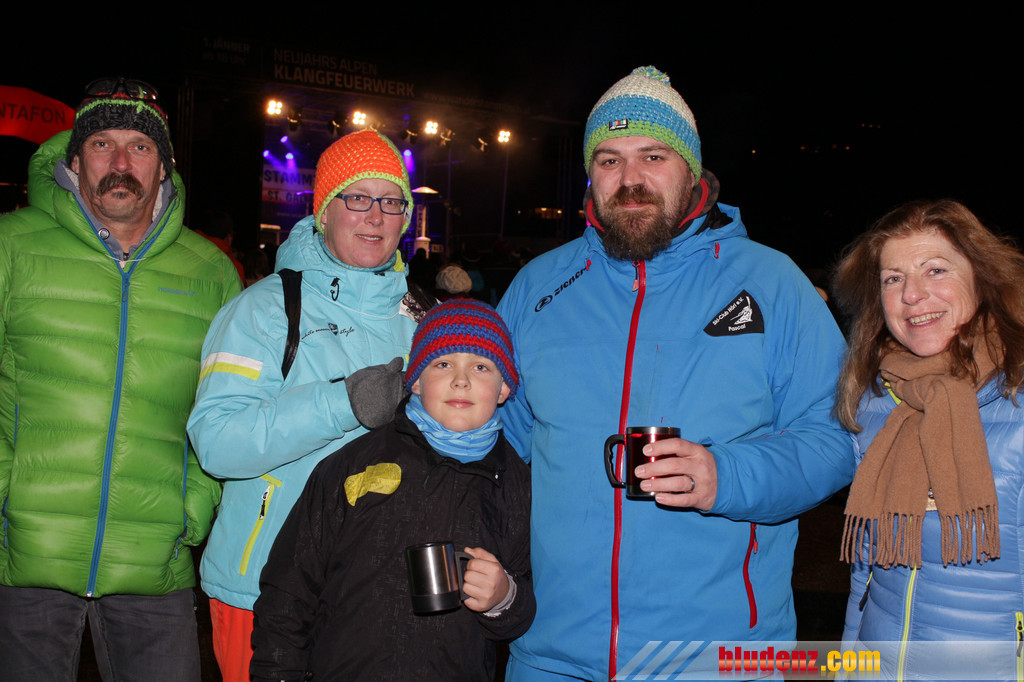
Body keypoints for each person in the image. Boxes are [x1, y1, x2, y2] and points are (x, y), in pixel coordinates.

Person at [496, 66, 855, 680]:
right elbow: (500, 443)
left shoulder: (772, 282)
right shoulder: (538, 287)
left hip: (718, 656)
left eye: (653, 156)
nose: (630, 179)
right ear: (590, 175)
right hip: (552, 655)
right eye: (609, 160)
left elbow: (837, 437)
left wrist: (726, 476)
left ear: (691, 170)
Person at [0, 77, 241, 681]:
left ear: (164, 166)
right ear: (74, 158)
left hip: (154, 560)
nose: (121, 163)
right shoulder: (10, 246)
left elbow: (229, 405)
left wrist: (192, 510)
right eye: (102, 144)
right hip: (26, 554)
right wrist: (7, 500)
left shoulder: (211, 273)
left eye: (140, 146)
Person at [187, 129, 429, 682]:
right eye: (357, 197)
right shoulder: (267, 309)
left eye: (392, 202)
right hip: (266, 586)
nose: (375, 216)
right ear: (323, 212)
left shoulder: (425, 316)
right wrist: (341, 403)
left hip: (381, 594)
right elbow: (217, 442)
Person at [250, 298, 534, 680]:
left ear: (504, 389)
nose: (461, 380)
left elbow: (525, 604)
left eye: (481, 366)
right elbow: (290, 584)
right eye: (443, 363)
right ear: (415, 380)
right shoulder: (355, 464)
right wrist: (278, 673)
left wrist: (503, 598)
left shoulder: (517, 486)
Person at [833, 199, 1024, 680]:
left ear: (982, 277)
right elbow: (866, 574)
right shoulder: (878, 399)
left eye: (935, 270)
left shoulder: (1017, 399)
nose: (912, 295)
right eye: (892, 278)